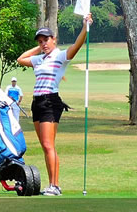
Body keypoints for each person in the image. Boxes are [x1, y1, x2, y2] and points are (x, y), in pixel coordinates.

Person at [16, 15, 92, 197]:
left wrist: (85, 27)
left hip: (51, 101)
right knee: (44, 144)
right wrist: (40, 47)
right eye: (40, 41)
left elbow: (76, 47)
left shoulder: (60, 56)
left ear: (54, 39)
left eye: (46, 40)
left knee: (49, 144)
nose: (43, 44)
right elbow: (21, 59)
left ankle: (55, 186)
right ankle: (52, 185)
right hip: (37, 102)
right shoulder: (39, 59)